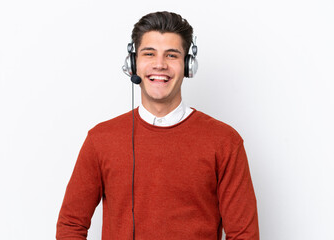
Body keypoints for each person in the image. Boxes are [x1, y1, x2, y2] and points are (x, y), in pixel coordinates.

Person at [56, 11, 259, 240]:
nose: (160, 65)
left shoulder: (225, 142)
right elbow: (71, 224)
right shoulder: (100, 139)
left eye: (171, 55)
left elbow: (244, 235)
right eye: (149, 54)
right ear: (133, 63)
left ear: (188, 65)